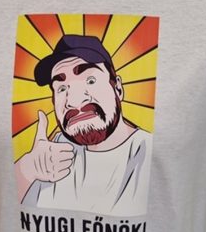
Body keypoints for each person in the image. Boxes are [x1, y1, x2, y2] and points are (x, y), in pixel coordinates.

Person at [14, 34, 153, 216]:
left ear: (118, 88)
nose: (74, 101)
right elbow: (5, 214)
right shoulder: (53, 152)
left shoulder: (147, 153)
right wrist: (27, 169)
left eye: (90, 80)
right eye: (62, 88)